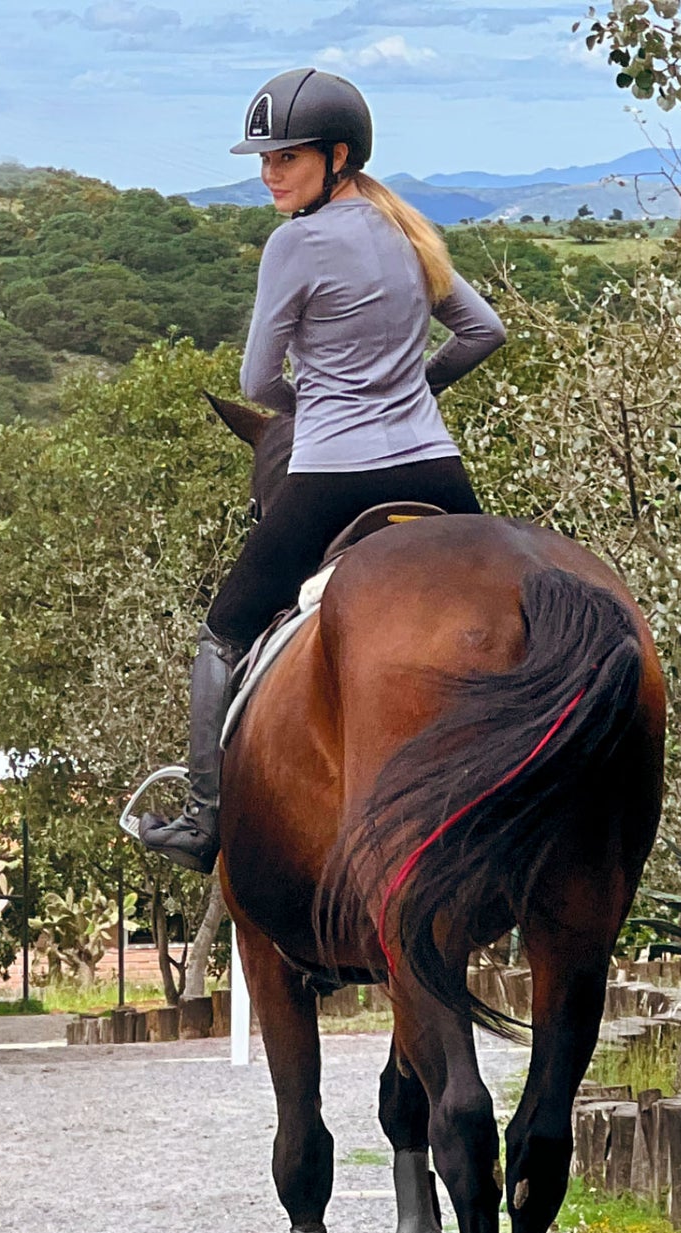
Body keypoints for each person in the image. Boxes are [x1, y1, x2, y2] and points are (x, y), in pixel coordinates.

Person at [139, 68, 506, 873]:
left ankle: (203, 821)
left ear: (337, 155)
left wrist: (319, 405)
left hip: (332, 473)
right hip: (435, 469)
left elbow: (257, 384)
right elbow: (484, 332)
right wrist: (412, 388)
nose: (269, 173)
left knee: (223, 628)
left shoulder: (294, 243)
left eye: (287, 157)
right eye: (264, 159)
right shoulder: (407, 229)